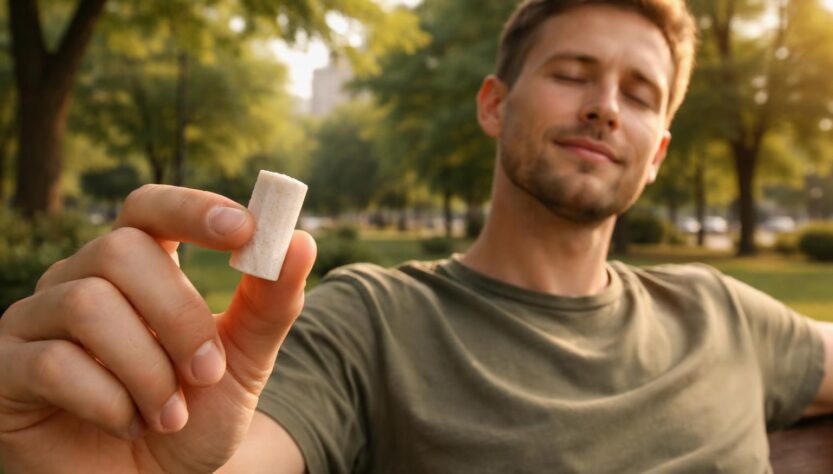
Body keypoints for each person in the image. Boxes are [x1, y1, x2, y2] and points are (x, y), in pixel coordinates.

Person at [1, 0, 832, 472]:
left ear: (656, 154)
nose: (604, 104)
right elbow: (248, 451)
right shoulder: (372, 323)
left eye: (639, 92)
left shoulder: (722, 313)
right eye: (572, 73)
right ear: (494, 105)